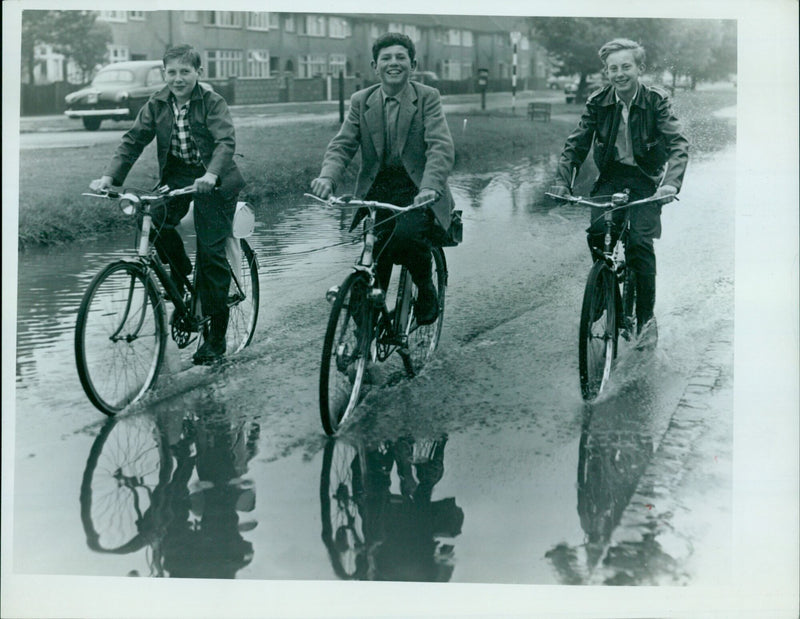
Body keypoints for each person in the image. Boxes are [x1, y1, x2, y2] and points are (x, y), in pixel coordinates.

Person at [90, 44, 245, 364]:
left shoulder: (212, 101)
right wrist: (109, 178)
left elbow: (225, 142)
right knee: (149, 216)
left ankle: (215, 339)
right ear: (164, 74)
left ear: (198, 74)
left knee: (211, 255)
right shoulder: (157, 103)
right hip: (177, 177)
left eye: (185, 72)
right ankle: (179, 270)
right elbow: (133, 140)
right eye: (171, 72)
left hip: (214, 181)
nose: (178, 79)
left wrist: (212, 174)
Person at [550, 38, 689, 346]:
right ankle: (604, 291)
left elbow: (679, 144)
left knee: (639, 242)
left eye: (626, 66)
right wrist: (563, 181)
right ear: (607, 72)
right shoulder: (599, 101)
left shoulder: (655, 101)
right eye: (613, 68)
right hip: (611, 177)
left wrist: (670, 183)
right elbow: (576, 144)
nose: (619, 73)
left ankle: (645, 319)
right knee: (598, 233)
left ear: (639, 68)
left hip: (646, 179)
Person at [310, 32, 455, 325]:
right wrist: (328, 178)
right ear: (375, 66)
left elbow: (440, 146)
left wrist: (429, 186)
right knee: (373, 256)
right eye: (386, 58)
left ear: (412, 64)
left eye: (401, 57)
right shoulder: (361, 101)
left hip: (418, 188)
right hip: (380, 188)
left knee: (407, 236)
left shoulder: (428, 97)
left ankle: (426, 288)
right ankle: (364, 341)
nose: (394, 63)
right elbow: (343, 145)